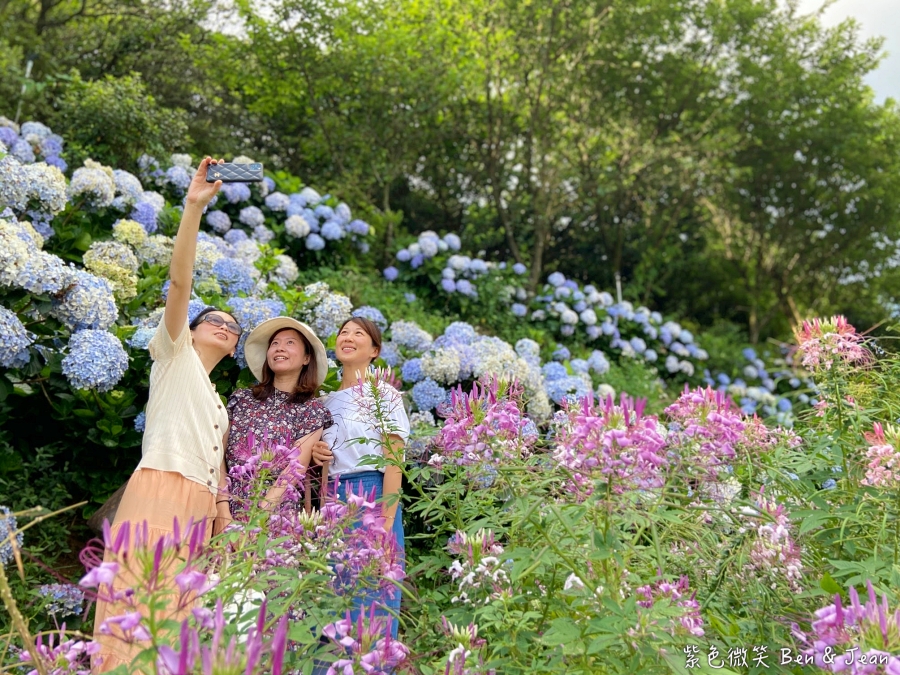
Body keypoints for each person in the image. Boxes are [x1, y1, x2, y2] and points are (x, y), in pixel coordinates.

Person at [93, 158, 238, 672]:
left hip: (200, 504)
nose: (224, 325)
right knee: (138, 601)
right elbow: (180, 284)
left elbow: (217, 465)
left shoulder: (217, 400)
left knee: (180, 615)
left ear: (235, 347)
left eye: (233, 326)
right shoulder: (174, 356)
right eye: (213, 319)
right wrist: (193, 208)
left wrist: (224, 521)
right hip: (160, 486)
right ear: (191, 329)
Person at [312, 317, 410, 639]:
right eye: (344, 332)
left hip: (372, 495)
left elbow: (394, 461)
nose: (348, 337)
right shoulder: (324, 401)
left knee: (371, 590)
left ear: (374, 351)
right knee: (332, 592)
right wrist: (318, 454)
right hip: (332, 499)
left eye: (358, 333)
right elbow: (326, 461)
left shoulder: (384, 394)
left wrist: (386, 522)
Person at [224, 317, 332, 518]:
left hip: (275, 514)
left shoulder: (311, 409)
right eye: (275, 343)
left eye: (290, 342)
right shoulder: (241, 399)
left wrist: (257, 517)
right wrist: (222, 509)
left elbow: (294, 470)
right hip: (227, 506)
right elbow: (218, 456)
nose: (280, 348)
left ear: (306, 358)